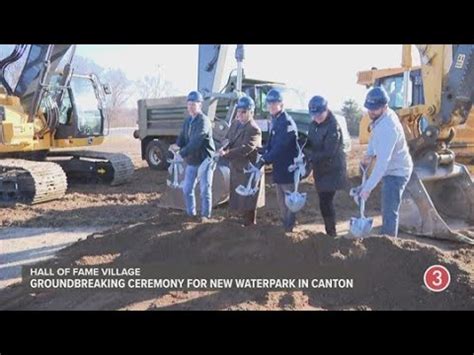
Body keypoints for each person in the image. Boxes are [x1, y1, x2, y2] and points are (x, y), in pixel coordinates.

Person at [359, 86, 413, 237]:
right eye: (369, 108)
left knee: (389, 211)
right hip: (392, 167)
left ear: (385, 107)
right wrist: (368, 154)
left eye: (375, 109)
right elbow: (374, 135)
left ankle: (388, 244)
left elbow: (383, 164)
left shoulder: (388, 127)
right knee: (387, 206)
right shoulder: (381, 118)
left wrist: (368, 188)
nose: (371, 112)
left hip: (397, 172)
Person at [256, 89, 299, 232]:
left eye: (274, 103)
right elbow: (273, 143)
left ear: (281, 104)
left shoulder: (286, 122)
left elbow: (280, 146)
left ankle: (290, 227)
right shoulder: (276, 120)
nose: (271, 106)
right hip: (279, 168)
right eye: (269, 103)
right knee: (281, 200)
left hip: (288, 167)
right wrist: (262, 150)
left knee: (289, 199)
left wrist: (265, 159)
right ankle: (285, 224)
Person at [170, 90, 216, 222]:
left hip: (205, 161)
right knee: (187, 188)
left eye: (193, 104)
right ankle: (191, 214)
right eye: (189, 104)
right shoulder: (188, 121)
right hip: (192, 161)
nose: (190, 106)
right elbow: (183, 137)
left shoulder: (204, 121)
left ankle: (206, 216)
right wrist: (177, 145)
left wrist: (182, 153)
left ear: (200, 105)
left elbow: (196, 141)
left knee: (205, 190)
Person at [219, 96, 265, 226]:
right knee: (239, 196)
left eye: (243, 112)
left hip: (250, 168)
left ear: (251, 112)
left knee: (249, 197)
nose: (240, 114)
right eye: (238, 111)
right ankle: (242, 220)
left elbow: (246, 148)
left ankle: (250, 224)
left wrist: (227, 154)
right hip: (238, 166)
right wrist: (224, 146)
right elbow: (227, 138)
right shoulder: (235, 123)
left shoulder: (254, 129)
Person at [306, 96, 347, 236]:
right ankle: (330, 231)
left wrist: (310, 157)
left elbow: (329, 152)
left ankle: (331, 233)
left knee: (326, 202)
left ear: (326, 110)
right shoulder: (314, 124)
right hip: (320, 170)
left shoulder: (333, 127)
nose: (316, 118)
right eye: (313, 115)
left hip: (332, 169)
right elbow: (310, 142)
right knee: (323, 202)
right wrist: (303, 148)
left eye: (319, 114)